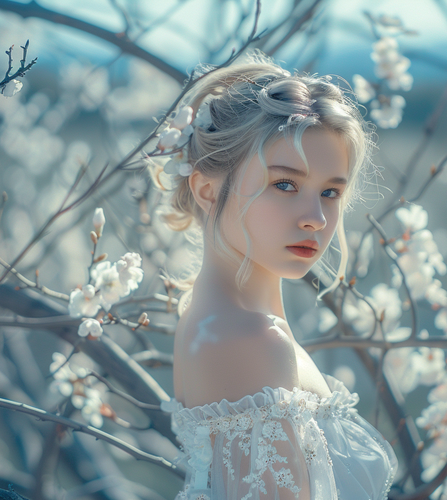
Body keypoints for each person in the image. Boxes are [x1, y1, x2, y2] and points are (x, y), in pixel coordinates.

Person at [158, 51, 398, 500]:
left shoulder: (221, 323)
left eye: (329, 192)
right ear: (208, 190)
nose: (316, 219)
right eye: (284, 184)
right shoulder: (246, 340)